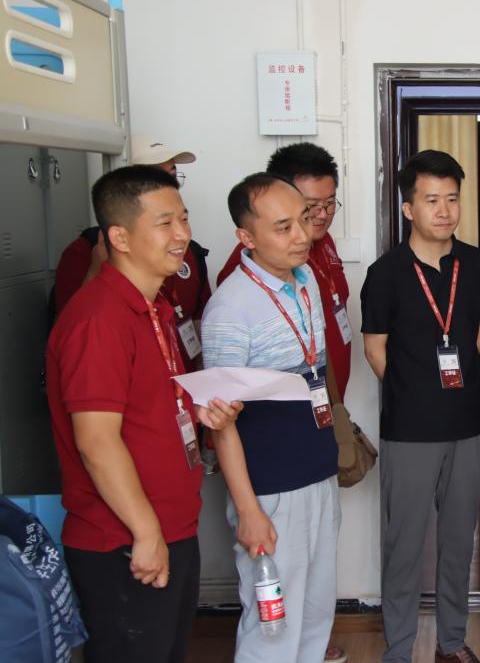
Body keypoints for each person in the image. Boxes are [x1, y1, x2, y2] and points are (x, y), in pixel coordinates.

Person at [47, 165, 242, 663]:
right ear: (120, 237)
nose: (182, 235)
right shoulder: (99, 320)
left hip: (170, 526)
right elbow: (96, 441)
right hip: (123, 539)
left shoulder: (154, 307)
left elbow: (147, 405)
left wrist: (201, 410)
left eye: (184, 218)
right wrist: (146, 532)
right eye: (164, 223)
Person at [360, 150, 480, 663]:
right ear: (408, 208)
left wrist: (446, 392)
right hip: (409, 429)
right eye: (432, 199)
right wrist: (416, 392)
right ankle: (398, 648)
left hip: (467, 425)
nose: (444, 210)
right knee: (404, 544)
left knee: (459, 542)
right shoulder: (386, 273)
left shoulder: (478, 265)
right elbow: (375, 349)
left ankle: (451, 642)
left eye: (452, 199)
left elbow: (478, 337)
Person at [202, 172, 341, 663]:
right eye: (283, 227)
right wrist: (249, 511)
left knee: (316, 611)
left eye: (303, 219)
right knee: (274, 625)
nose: (302, 235)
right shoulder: (229, 308)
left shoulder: (305, 281)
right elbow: (220, 422)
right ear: (247, 237)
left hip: (317, 470)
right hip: (271, 490)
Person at [51, 135, 210, 372]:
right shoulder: (97, 318)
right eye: (152, 177)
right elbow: (73, 325)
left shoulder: (187, 254)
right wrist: (96, 268)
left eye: (172, 174)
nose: (182, 234)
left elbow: (197, 320)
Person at [219, 143, 352, 401]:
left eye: (330, 202)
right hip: (288, 409)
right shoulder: (254, 267)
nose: (323, 215)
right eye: (311, 206)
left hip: (325, 397)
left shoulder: (324, 242)